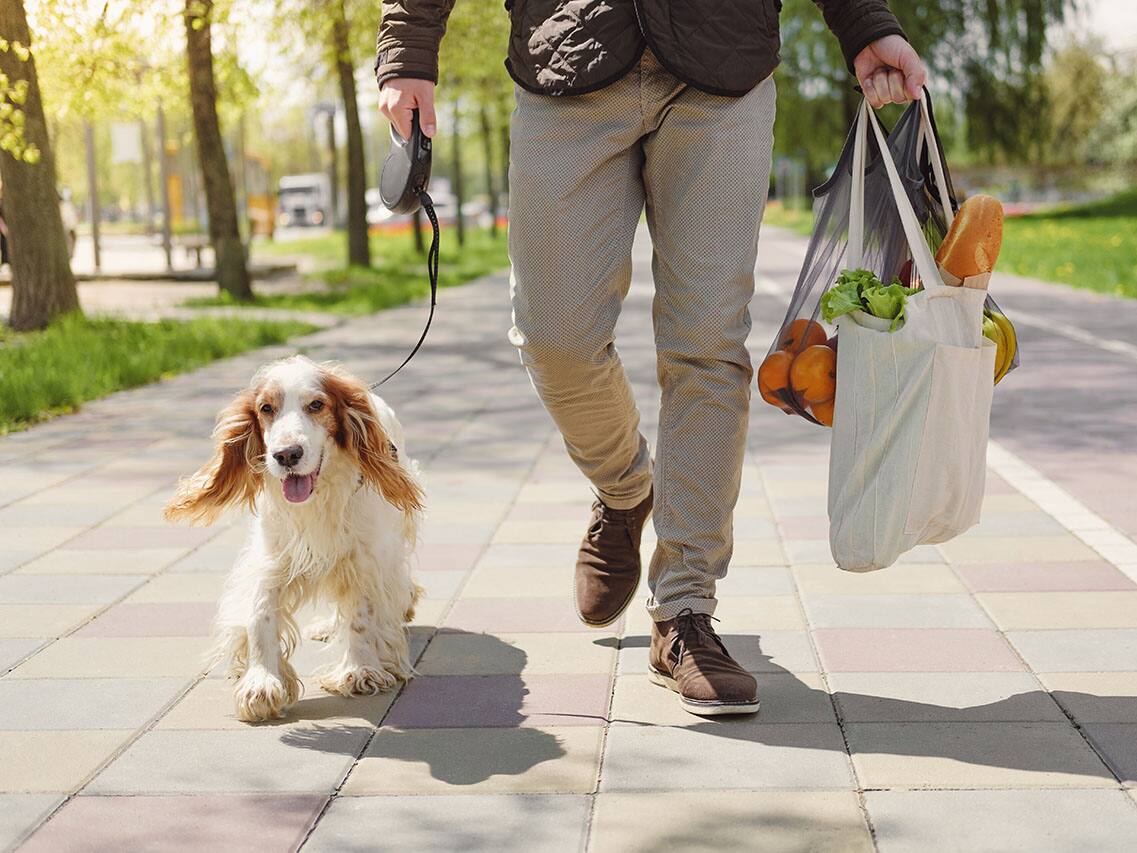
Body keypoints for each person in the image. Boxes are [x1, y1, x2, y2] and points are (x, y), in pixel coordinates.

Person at [376, 1, 925, 716]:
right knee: (554, 339)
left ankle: (685, 610)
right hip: (565, 56)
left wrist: (864, 24)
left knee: (707, 342)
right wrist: (408, 49)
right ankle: (625, 486)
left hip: (720, 62)